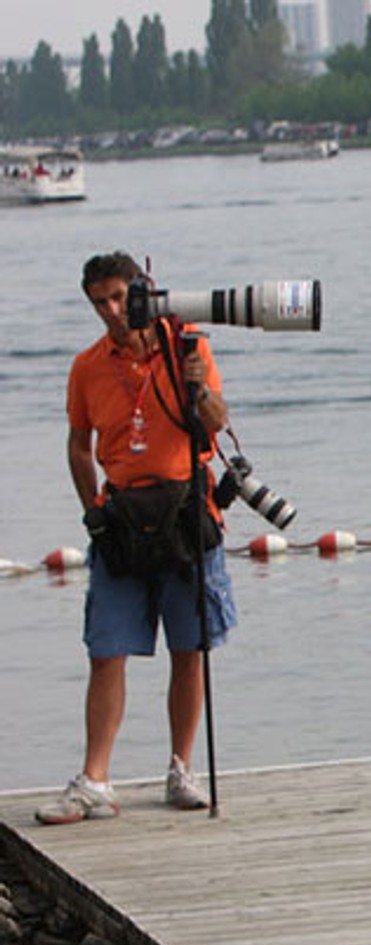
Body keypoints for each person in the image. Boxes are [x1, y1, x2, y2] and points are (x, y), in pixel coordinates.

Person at [38, 252, 235, 826]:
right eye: (100, 302)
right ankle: (94, 779)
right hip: (121, 516)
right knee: (106, 649)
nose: (112, 311)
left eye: (120, 298)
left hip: (185, 509)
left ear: (143, 291)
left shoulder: (187, 350)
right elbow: (78, 443)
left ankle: (182, 767)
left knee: (190, 649)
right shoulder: (87, 366)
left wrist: (198, 386)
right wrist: (90, 509)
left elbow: (218, 422)